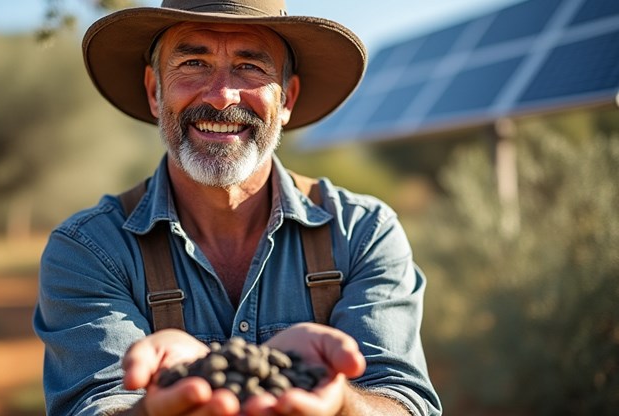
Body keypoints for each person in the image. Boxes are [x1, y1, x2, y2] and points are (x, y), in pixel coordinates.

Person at [33, 0, 442, 415]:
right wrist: (151, 410)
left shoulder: (362, 231)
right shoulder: (88, 249)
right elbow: (96, 403)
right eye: (193, 62)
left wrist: (342, 404)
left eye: (250, 66)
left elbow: (404, 401)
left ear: (287, 100)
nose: (222, 95)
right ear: (156, 91)